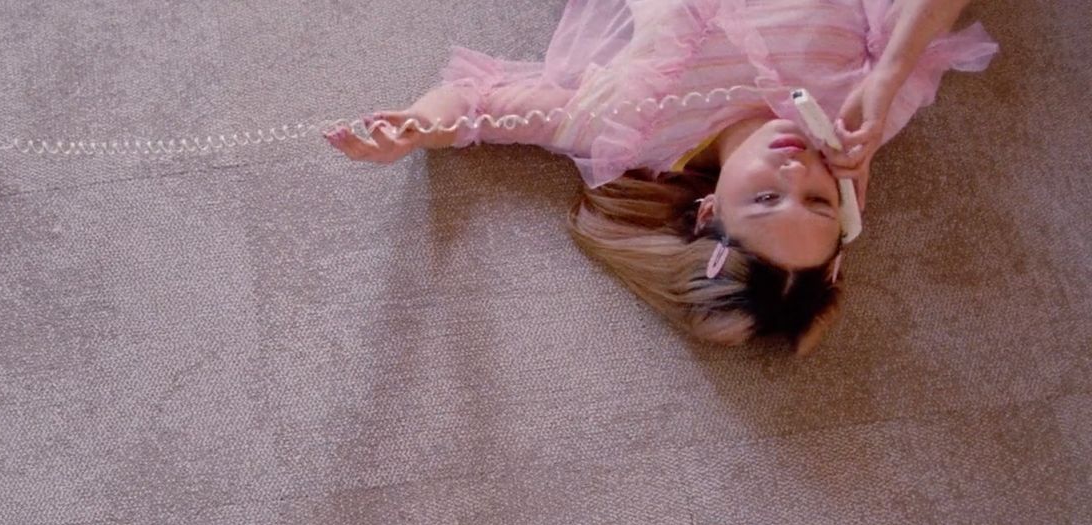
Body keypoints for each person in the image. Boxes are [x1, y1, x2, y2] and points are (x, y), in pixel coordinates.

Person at [325, 0, 997, 355]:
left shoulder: (629, 129)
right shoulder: (864, 106)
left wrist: (415, 124)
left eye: (766, 197)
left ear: (707, 210)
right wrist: (888, 72)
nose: (797, 167)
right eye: (819, 199)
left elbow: (478, 109)